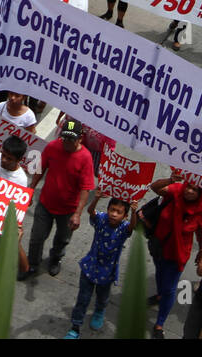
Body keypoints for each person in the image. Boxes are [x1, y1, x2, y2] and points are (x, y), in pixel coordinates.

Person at [143, 172, 202, 338]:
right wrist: (171, 180)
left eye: (195, 190)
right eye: (188, 187)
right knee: (160, 276)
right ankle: (159, 295)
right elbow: (155, 187)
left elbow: (201, 233)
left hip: (177, 255)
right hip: (159, 248)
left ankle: (159, 324)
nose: (189, 191)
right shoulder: (175, 190)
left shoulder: (200, 211)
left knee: (170, 288)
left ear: (200, 193)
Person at [20, 118, 96, 280]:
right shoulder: (53, 147)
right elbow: (40, 169)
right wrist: (31, 189)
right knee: (36, 237)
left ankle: (55, 259)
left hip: (68, 210)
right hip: (46, 203)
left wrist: (77, 214)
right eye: (65, 138)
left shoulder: (85, 158)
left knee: (62, 239)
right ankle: (32, 264)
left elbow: (85, 188)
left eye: (71, 139)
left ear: (80, 138)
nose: (67, 142)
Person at [65, 196, 138, 339]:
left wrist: (135, 212)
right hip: (89, 267)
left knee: (102, 298)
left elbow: (132, 227)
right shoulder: (102, 219)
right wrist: (97, 197)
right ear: (107, 210)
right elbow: (91, 211)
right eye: (112, 210)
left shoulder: (124, 228)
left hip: (107, 273)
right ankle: (75, 327)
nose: (114, 214)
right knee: (82, 299)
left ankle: (99, 312)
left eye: (118, 212)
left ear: (125, 216)